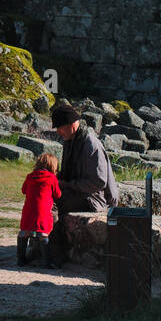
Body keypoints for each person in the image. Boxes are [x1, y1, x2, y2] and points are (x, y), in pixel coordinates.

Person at [48, 103, 120, 263]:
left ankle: (53, 253)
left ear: (72, 124)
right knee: (43, 197)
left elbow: (98, 182)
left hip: (94, 199)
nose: (58, 131)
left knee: (54, 205)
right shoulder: (70, 140)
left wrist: (68, 185)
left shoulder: (90, 144)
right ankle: (44, 247)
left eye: (60, 127)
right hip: (79, 192)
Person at [18, 153, 62, 269]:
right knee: (43, 233)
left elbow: (24, 190)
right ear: (53, 166)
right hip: (43, 211)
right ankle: (46, 262)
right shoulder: (51, 178)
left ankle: (21, 260)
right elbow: (58, 194)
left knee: (24, 232)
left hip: (28, 210)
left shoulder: (30, 176)